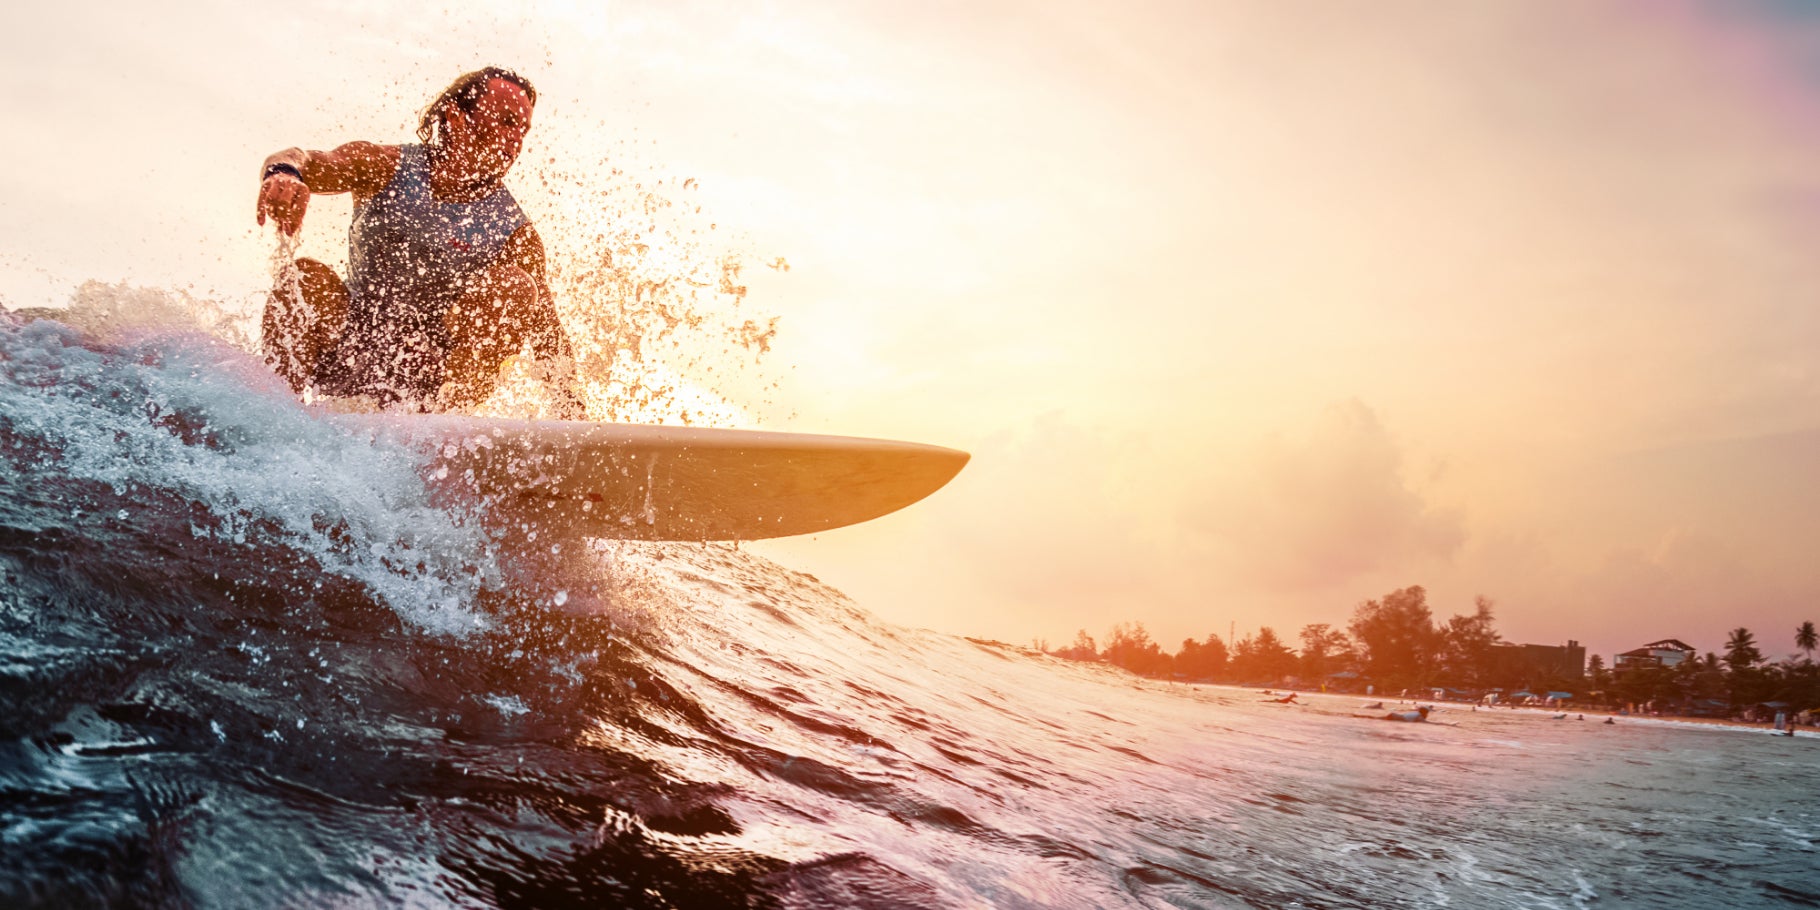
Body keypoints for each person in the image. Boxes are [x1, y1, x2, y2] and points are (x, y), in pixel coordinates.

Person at [255, 66, 579, 413]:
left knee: (515, 286)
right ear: (455, 117)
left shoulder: (514, 232)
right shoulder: (385, 166)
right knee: (304, 278)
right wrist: (284, 175)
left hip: (432, 381)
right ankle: (275, 418)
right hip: (350, 353)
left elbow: (550, 340)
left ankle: (441, 429)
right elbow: (304, 160)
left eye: (523, 131)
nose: (515, 141)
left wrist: (579, 425)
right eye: (505, 121)